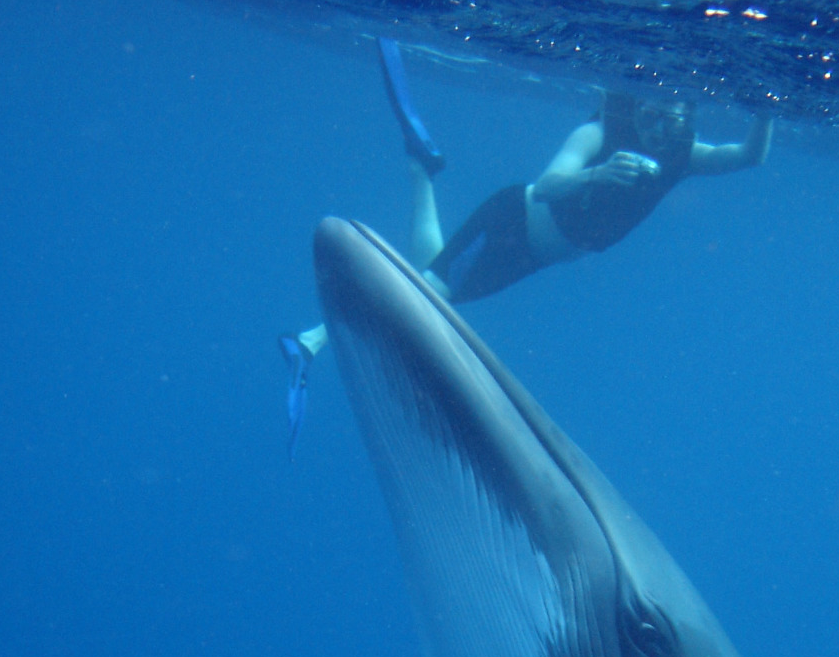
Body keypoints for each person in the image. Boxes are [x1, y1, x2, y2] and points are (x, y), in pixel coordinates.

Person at [280, 39, 772, 454]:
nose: (656, 129)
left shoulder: (684, 157)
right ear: (633, 107)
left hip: (530, 258)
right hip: (508, 224)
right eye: (649, 114)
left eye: (669, 119)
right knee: (426, 295)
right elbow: (546, 187)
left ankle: (421, 168)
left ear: (687, 120)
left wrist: (765, 102)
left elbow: (749, 156)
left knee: (433, 275)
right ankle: (310, 342)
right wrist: (599, 172)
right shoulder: (598, 133)